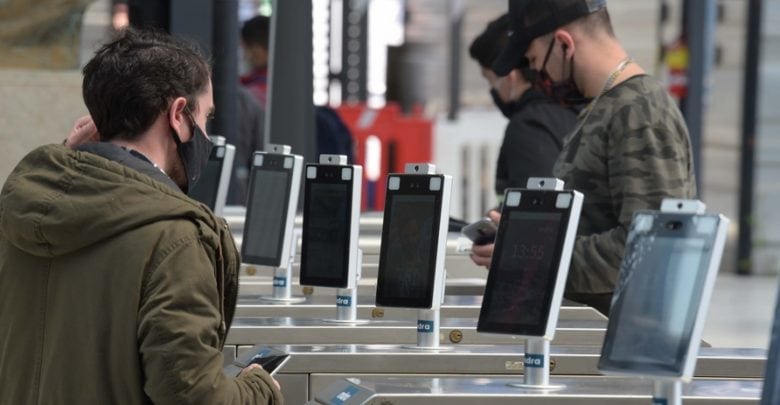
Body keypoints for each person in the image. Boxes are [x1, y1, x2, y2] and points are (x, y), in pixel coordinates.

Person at [0, 29, 282, 404]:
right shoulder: (174, 238)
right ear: (179, 114)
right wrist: (258, 389)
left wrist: (71, 164)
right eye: (206, 117)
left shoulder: (21, 211)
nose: (207, 135)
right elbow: (193, 396)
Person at [471, 0, 696, 316]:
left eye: (535, 59)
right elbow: (590, 224)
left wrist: (534, 257)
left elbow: (649, 248)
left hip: (622, 342)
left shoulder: (639, 112)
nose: (536, 72)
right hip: (589, 335)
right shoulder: (603, 108)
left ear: (564, 44)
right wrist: (521, 236)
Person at [469, 13, 578, 199]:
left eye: (490, 80)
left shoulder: (530, 127)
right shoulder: (575, 106)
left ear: (510, 77)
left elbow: (537, 214)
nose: (492, 90)